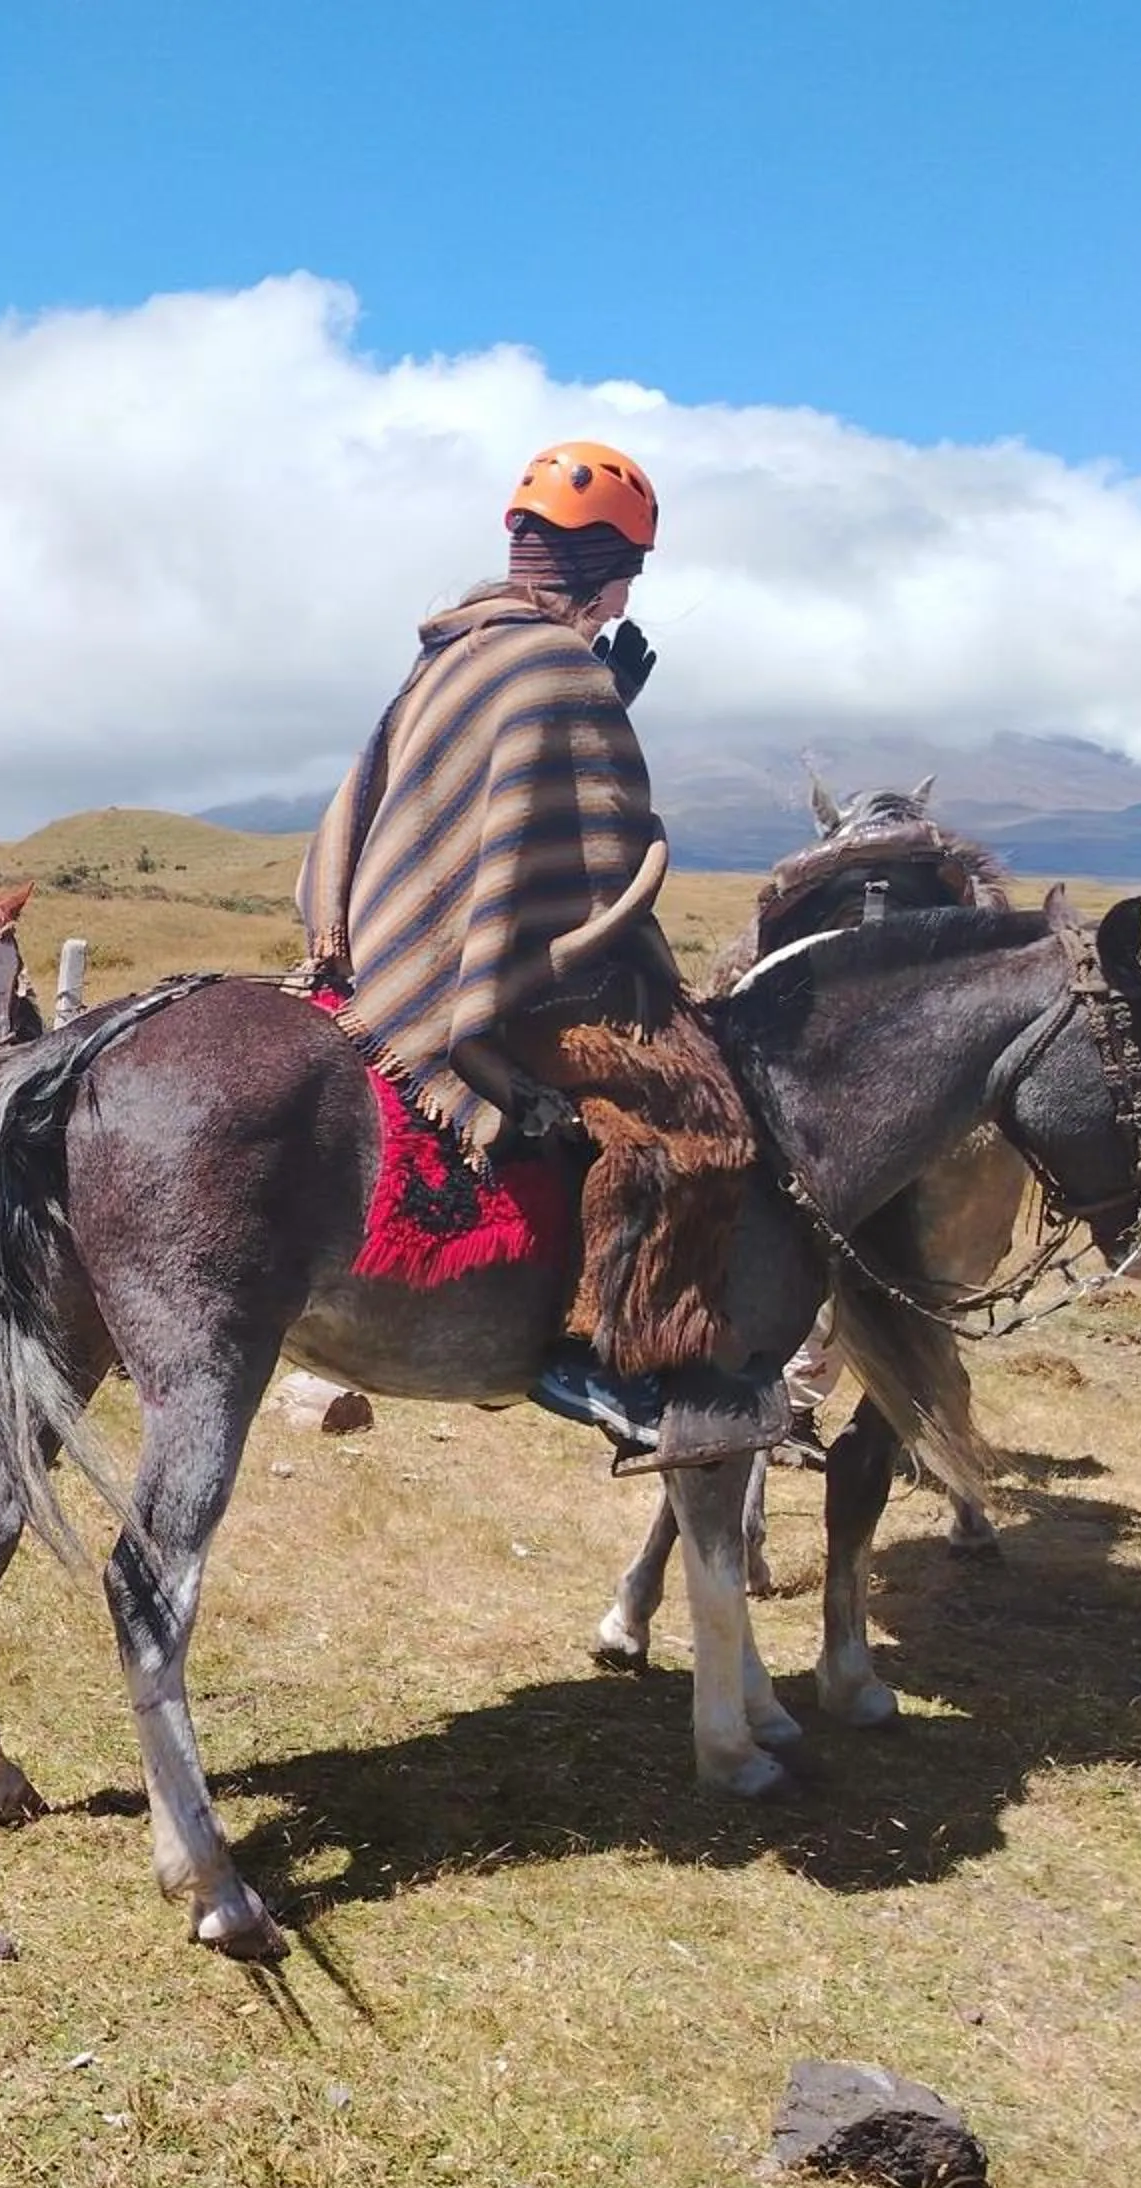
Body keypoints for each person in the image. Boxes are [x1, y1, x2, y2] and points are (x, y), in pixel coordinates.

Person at [296, 440, 785, 1471]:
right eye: (622, 584)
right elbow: (603, 855)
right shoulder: (561, 665)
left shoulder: (457, 648)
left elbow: (481, 804)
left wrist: (609, 696)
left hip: (386, 959)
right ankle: (597, 1357)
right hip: (493, 985)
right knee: (702, 1124)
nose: (617, 607)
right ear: (607, 573)